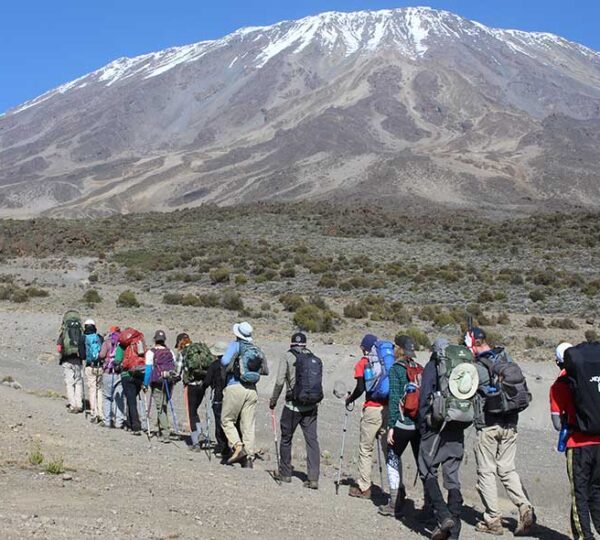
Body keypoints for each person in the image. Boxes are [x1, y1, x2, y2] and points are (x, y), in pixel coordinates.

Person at [469, 327, 535, 536]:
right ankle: (524, 506)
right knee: (507, 468)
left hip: (488, 425)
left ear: (473, 344)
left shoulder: (478, 365)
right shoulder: (505, 356)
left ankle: (493, 519)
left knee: (486, 471)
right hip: (511, 423)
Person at [417, 338, 471, 540]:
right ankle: (454, 532)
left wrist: (423, 425)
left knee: (426, 469)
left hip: (436, 426)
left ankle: (443, 515)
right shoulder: (463, 367)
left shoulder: (433, 366)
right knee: (453, 477)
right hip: (457, 424)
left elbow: (424, 398)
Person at [550, 341, 600, 540]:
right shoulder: (595, 378)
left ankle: (584, 536)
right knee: (596, 491)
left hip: (578, 444)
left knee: (579, 493)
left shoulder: (559, 386)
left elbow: (556, 423)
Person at [269, 332, 321, 489]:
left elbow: (279, 381)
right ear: (305, 344)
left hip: (292, 406)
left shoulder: (287, 356)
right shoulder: (313, 357)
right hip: (311, 406)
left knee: (286, 438)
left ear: (291, 343)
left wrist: (273, 400)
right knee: (312, 441)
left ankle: (285, 473)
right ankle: (313, 478)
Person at [379, 335, 422, 517]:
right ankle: (429, 507)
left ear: (399, 349)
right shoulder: (419, 368)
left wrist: (390, 426)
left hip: (402, 423)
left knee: (392, 457)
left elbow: (395, 396)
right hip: (418, 423)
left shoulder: (397, 369)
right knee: (423, 464)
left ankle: (395, 501)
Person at [221, 321, 269, 467]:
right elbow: (265, 370)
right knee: (248, 425)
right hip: (252, 390)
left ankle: (237, 446)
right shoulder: (256, 349)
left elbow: (224, 361)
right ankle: (248, 458)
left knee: (227, 420)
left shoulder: (236, 346)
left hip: (235, 386)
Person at [346, 334, 388, 498]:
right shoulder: (386, 364)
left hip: (372, 409)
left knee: (365, 449)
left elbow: (360, 388)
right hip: (387, 409)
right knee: (389, 450)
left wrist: (350, 399)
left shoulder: (364, 363)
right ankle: (397, 488)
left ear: (365, 347)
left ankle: (364, 487)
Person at [177, 333, 214, 451]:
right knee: (195, 411)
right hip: (202, 385)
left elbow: (177, 371)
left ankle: (195, 442)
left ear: (180, 342)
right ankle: (200, 432)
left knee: (191, 413)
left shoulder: (184, 353)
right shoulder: (200, 350)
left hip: (191, 385)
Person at [143, 330, 177, 442]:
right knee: (163, 405)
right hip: (169, 381)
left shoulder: (150, 353)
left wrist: (145, 384)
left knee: (160, 408)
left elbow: (148, 370)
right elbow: (175, 367)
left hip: (157, 382)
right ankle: (160, 429)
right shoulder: (170, 352)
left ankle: (165, 433)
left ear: (154, 339)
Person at [201, 342, 229, 458]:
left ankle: (222, 447)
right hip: (230, 396)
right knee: (229, 422)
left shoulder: (214, 365)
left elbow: (207, 382)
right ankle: (232, 446)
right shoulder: (230, 364)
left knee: (219, 422)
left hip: (218, 397)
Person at [98, 326, 126, 429]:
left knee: (107, 397)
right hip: (119, 373)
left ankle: (107, 421)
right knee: (118, 398)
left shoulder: (107, 342)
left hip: (108, 372)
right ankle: (119, 422)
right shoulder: (123, 344)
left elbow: (101, 355)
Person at [56, 310, 84, 413]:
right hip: (78, 360)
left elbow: (59, 348)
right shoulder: (81, 332)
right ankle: (80, 404)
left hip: (67, 360)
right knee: (78, 383)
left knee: (69, 383)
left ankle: (73, 405)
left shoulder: (63, 333)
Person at [80, 319, 104, 423]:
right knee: (99, 389)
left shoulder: (83, 338)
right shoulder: (99, 337)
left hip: (90, 366)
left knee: (92, 389)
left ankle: (93, 412)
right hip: (100, 366)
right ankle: (101, 412)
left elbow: (82, 355)